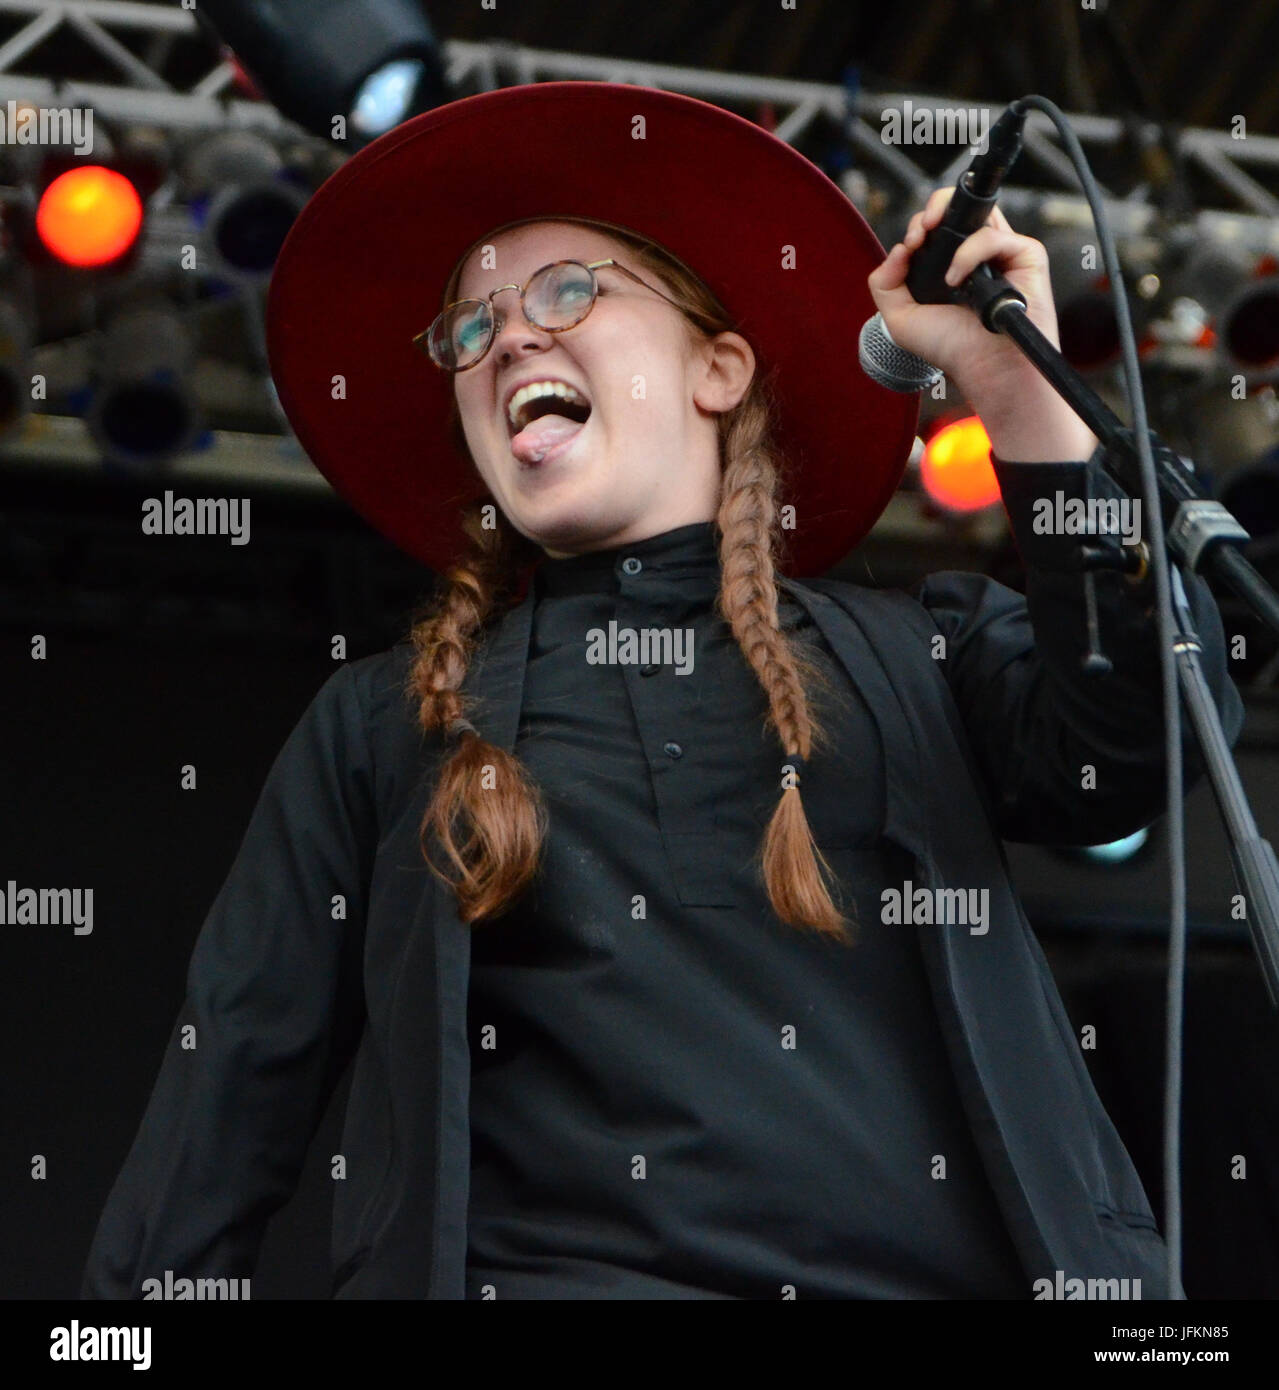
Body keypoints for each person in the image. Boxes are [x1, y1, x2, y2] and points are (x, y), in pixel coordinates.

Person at [81, 82, 1243, 1300]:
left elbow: (1147, 738)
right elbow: (225, 1104)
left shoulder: (921, 656)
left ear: (719, 368)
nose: (511, 338)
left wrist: (1023, 409)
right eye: (468, 333)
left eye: (567, 292)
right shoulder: (384, 723)